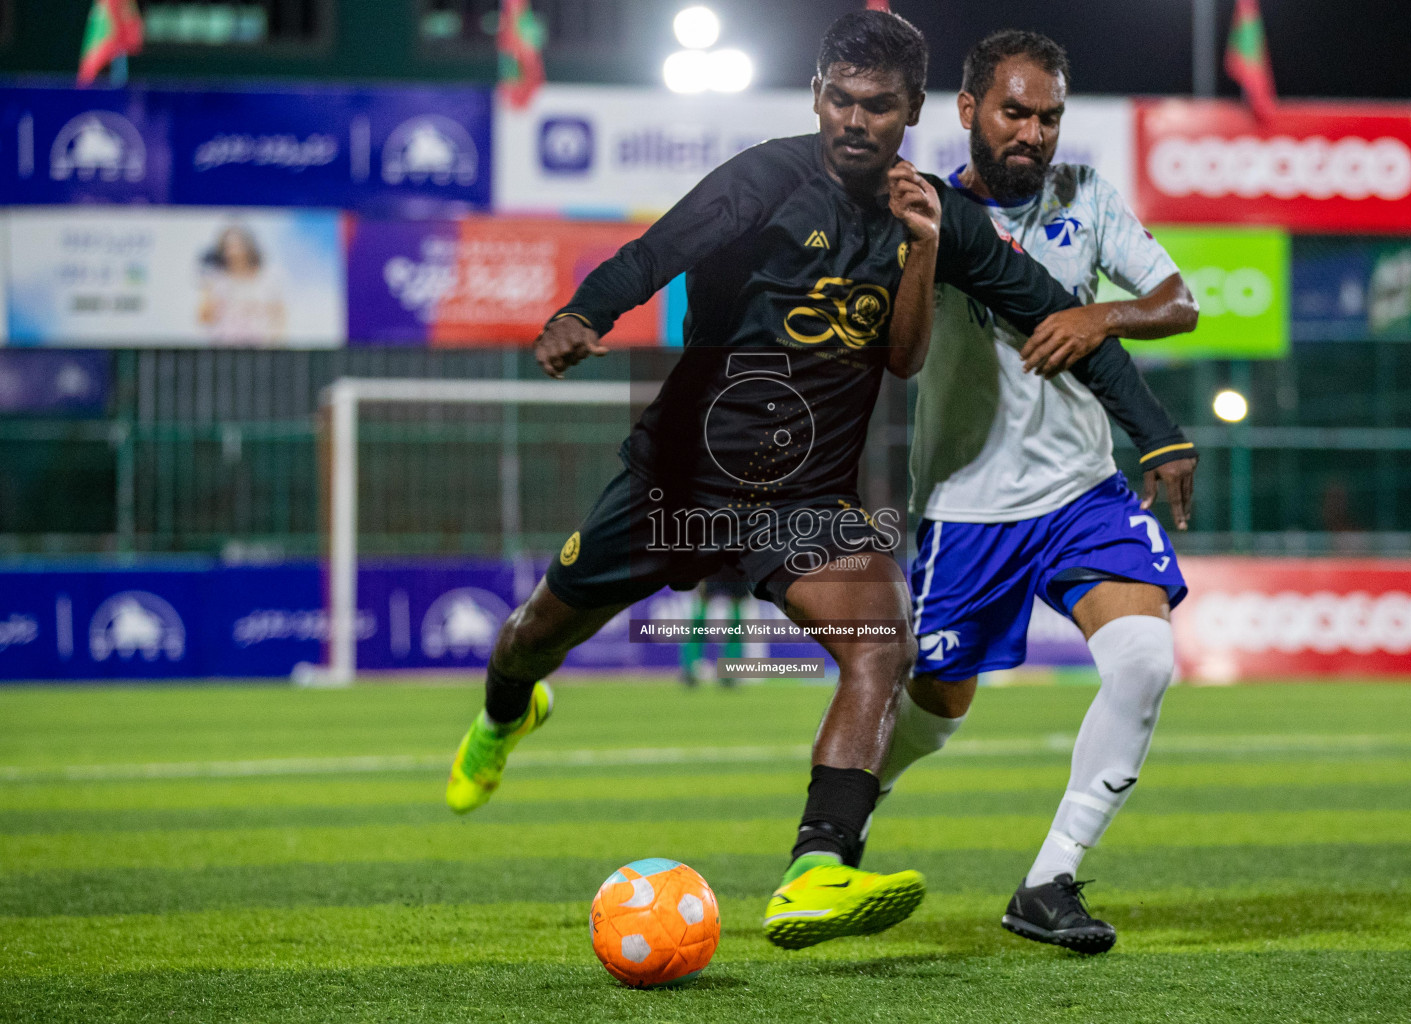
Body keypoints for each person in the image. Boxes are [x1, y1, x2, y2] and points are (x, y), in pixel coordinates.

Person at [443, 10, 1189, 952]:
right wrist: (583, 312)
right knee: (530, 637)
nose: (854, 120)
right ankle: (507, 713)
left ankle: (815, 870)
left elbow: (1058, 318)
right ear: (817, 95)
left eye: (878, 106)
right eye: (839, 98)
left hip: (804, 501)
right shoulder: (765, 177)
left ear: (914, 111)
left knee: (883, 644)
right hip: (680, 479)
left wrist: (1157, 437)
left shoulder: (937, 218)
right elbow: (653, 252)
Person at [876, 30, 1201, 955]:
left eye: (1050, 115)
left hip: (1081, 493)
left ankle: (1050, 880)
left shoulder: (1087, 198)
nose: (1034, 132)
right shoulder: (928, 215)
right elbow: (896, 359)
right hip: (968, 506)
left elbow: (1179, 300)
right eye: (1016, 111)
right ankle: (851, 810)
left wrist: (1099, 312)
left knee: (1143, 661)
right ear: (969, 111)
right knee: (937, 712)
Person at [197, 225, 286, 344]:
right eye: (227, 247)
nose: (233, 252)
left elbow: (279, 316)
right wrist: (207, 284)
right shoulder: (217, 280)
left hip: (260, 348)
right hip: (224, 347)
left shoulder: (266, 279)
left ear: (248, 247)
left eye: (237, 246)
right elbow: (205, 318)